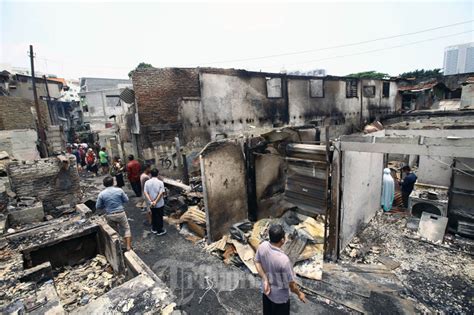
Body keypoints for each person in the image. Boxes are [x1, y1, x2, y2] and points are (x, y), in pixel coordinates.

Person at [255, 224, 306, 315]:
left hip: (266, 292)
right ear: (282, 240)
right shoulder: (284, 260)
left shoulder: (263, 246)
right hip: (280, 299)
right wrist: (299, 294)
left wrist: (265, 278)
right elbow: (291, 285)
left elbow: (257, 262)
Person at [96, 176, 132, 251]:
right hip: (120, 213)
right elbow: (126, 200)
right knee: (126, 228)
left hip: (110, 215)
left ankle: (119, 247)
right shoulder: (119, 190)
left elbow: (98, 206)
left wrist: (106, 205)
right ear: (113, 182)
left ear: (104, 184)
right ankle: (128, 247)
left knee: (115, 232)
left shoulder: (101, 194)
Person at [144, 168, 166, 235]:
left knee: (153, 215)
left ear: (150, 174)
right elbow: (161, 193)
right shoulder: (160, 182)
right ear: (158, 174)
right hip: (159, 203)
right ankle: (159, 230)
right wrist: (155, 201)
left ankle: (154, 228)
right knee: (159, 216)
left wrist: (151, 201)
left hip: (151, 203)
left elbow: (145, 192)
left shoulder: (147, 182)